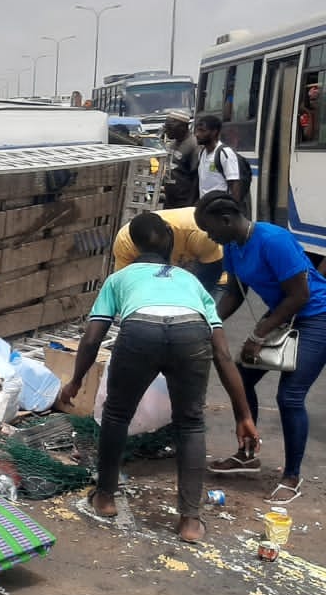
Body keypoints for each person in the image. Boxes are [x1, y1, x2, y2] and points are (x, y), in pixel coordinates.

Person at [58, 212, 259, 543]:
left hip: (141, 331)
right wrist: (244, 415)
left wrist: (76, 381)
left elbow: (93, 338)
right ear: (170, 238)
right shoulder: (190, 281)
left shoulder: (119, 279)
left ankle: (105, 497)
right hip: (191, 332)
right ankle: (190, 522)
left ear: (134, 247)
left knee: (117, 415)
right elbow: (222, 354)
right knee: (190, 424)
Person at [194, 191, 326, 503]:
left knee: (290, 396)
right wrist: (208, 320)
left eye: (210, 229)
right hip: (284, 313)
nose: (209, 236)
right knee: (241, 379)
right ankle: (247, 453)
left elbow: (300, 295)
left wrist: (258, 335)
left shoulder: (273, 240)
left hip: (316, 315)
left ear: (227, 220)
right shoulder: (232, 246)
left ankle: (292, 476)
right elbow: (237, 294)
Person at [111, 207, 224, 294]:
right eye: (148, 252)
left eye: (160, 249)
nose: (157, 256)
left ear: (169, 231)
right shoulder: (125, 243)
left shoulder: (200, 233)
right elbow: (124, 284)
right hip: (172, 279)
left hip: (213, 275)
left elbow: (211, 274)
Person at [193, 114, 243, 200]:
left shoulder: (224, 153)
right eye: (197, 131)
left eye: (202, 131)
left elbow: (234, 184)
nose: (197, 134)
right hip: (205, 207)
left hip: (219, 207)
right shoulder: (201, 153)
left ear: (214, 132)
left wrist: (233, 210)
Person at [159, 110, 200, 208]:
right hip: (170, 199)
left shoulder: (194, 145)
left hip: (185, 202)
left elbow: (196, 177)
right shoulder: (172, 144)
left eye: (169, 127)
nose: (165, 130)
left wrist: (191, 203)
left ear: (182, 127)